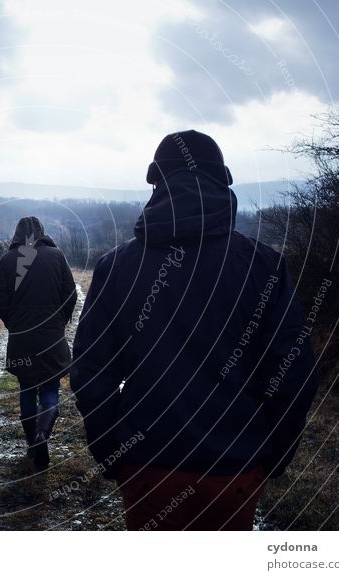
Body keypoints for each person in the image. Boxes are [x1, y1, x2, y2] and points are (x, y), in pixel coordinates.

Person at [70, 130, 318, 530]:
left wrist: (111, 451)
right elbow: (294, 373)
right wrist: (273, 455)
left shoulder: (115, 267)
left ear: (156, 183)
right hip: (235, 469)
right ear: (223, 182)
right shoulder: (263, 266)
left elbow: (90, 371)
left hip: (147, 464)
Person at [0, 217, 77, 469]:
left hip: (22, 337)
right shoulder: (56, 255)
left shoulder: (7, 261)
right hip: (51, 336)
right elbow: (70, 294)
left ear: (17, 234)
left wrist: (14, 325)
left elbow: (0, 299)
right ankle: (43, 435)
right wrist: (60, 322)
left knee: (27, 387)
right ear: (42, 232)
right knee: (50, 389)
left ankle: (32, 440)